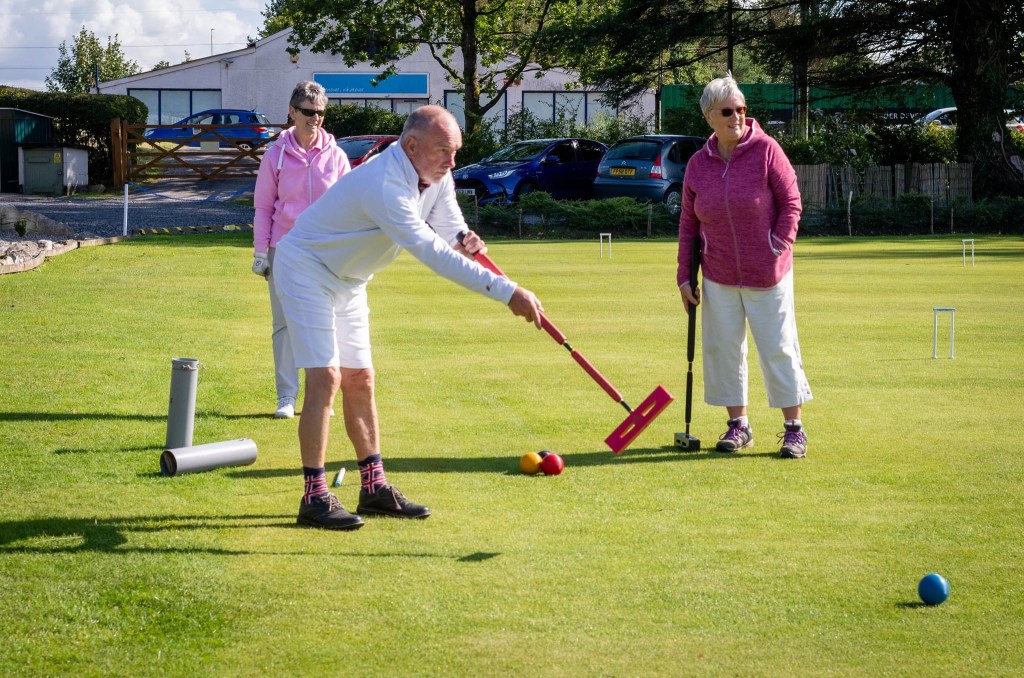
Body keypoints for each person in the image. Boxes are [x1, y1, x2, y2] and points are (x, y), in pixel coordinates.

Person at [274, 105, 546, 530]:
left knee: (360, 378)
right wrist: (507, 292)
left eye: (455, 152)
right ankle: (314, 497)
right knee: (326, 377)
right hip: (305, 267)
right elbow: (430, 252)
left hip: (349, 279)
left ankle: (374, 488)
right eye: (444, 151)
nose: (452, 162)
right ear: (412, 145)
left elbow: (448, 227)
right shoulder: (385, 183)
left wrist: (463, 239)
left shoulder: (436, 175)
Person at [677, 73, 813, 459]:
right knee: (722, 350)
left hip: (767, 274)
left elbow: (791, 202)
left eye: (741, 109)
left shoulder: (767, 150)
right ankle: (738, 425)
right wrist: (684, 276)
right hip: (718, 275)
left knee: (779, 348)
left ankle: (794, 430)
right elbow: (689, 224)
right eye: (727, 110)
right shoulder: (698, 165)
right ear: (710, 117)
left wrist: (777, 244)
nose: (736, 116)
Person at [253, 81, 351, 419]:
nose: (315, 119)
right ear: (292, 112)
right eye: (308, 112)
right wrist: (261, 252)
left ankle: (323, 398)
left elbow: (348, 205)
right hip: (284, 249)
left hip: (326, 252)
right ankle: (286, 398)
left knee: (328, 323)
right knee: (284, 326)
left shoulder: (336, 156)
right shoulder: (275, 156)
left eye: (320, 113)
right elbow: (263, 208)